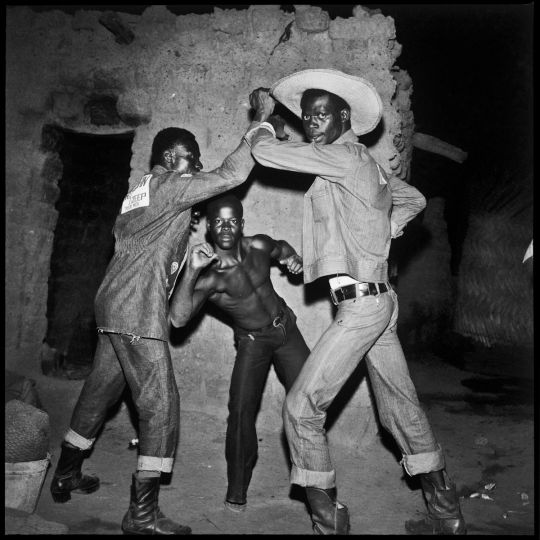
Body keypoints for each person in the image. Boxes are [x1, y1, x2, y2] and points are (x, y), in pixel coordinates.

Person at [247, 69, 467, 535]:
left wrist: (264, 122)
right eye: (307, 117)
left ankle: (329, 524)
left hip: (363, 307)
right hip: (377, 302)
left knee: (302, 405)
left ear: (344, 116)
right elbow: (412, 198)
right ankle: (446, 517)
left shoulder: (343, 158)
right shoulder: (361, 164)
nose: (312, 124)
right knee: (399, 409)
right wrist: (376, 232)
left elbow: (264, 152)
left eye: (322, 114)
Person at [49, 90, 276, 535]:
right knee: (161, 406)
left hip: (112, 304)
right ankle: (142, 514)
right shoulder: (170, 185)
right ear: (171, 158)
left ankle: (66, 472)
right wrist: (261, 125)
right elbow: (230, 174)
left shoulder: (140, 190)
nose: (194, 165)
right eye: (190, 158)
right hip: (135, 311)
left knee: (98, 393)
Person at [169, 194, 310, 513]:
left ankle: (312, 478)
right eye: (218, 221)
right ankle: (237, 488)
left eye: (233, 221)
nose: (226, 227)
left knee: (308, 399)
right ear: (208, 227)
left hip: (286, 328)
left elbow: (282, 248)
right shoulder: (210, 276)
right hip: (253, 340)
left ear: (242, 224)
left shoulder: (259, 246)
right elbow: (177, 319)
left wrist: (294, 258)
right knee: (241, 412)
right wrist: (191, 271)